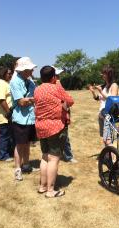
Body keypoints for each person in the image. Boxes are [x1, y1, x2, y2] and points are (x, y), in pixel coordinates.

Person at [34, 66, 74, 198]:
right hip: (55, 126)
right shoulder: (56, 87)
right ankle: (51, 191)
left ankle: (42, 186)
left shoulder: (37, 89)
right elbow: (70, 101)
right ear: (53, 77)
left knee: (45, 156)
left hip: (41, 126)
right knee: (54, 159)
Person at [10, 57, 37, 181]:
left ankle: (26, 165)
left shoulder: (31, 82)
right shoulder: (15, 82)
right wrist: (33, 100)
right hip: (20, 118)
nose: (32, 71)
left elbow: (34, 96)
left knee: (27, 143)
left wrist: (30, 100)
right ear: (23, 70)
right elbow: (21, 102)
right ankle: (17, 170)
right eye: (30, 69)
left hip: (30, 118)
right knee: (20, 145)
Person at [51, 65, 77, 163]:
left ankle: (64, 155)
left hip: (59, 113)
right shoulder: (57, 84)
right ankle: (67, 156)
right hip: (59, 114)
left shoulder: (55, 84)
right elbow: (66, 100)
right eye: (57, 75)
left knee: (61, 136)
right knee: (63, 136)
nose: (59, 77)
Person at [88, 65, 119, 146]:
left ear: (109, 74)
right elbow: (98, 98)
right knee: (105, 139)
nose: (102, 75)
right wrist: (93, 92)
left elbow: (112, 99)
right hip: (102, 114)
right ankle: (108, 157)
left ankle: (113, 158)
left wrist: (101, 91)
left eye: (104, 73)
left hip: (108, 115)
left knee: (108, 139)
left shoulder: (114, 85)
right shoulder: (105, 86)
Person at [0, 67, 15, 161]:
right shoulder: (0, 83)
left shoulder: (5, 83)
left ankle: (9, 153)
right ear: (3, 73)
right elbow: (1, 99)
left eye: (11, 73)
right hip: (3, 115)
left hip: (7, 114)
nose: (10, 75)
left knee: (9, 135)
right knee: (5, 135)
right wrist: (9, 113)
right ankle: (3, 156)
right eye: (8, 73)